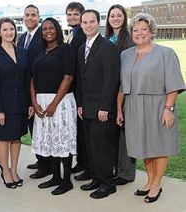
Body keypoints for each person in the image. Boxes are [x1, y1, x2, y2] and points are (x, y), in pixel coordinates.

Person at [118, 13, 186, 203]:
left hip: (157, 105)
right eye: (135, 29)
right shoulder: (126, 55)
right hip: (133, 106)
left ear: (152, 32)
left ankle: (157, 185)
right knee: (143, 146)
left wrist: (168, 108)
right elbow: (122, 86)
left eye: (143, 29)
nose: (139, 33)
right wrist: (119, 109)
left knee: (158, 145)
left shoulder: (166, 53)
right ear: (131, 33)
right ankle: (149, 181)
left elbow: (173, 84)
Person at [76, 10, 120, 199]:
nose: (88, 25)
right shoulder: (80, 49)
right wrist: (79, 104)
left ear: (98, 23)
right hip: (86, 107)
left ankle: (108, 183)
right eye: (84, 22)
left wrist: (105, 107)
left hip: (101, 109)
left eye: (91, 22)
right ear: (81, 24)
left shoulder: (108, 47)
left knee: (102, 147)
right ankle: (96, 178)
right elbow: (80, 79)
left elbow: (111, 80)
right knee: (91, 145)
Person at [31, 17, 77, 195]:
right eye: (44, 29)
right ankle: (56, 176)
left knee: (63, 138)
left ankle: (66, 181)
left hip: (61, 101)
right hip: (42, 102)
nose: (48, 31)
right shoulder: (40, 52)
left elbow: (68, 77)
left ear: (57, 29)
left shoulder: (65, 49)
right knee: (50, 139)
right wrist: (35, 102)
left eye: (51, 28)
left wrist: (54, 104)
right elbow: (32, 79)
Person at [0, 18, 33, 189]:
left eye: (11, 29)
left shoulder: (23, 52)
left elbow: (27, 79)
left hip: (20, 103)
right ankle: (5, 171)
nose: (9, 32)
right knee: (4, 139)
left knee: (16, 138)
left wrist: (29, 103)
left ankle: (14, 170)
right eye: (5, 30)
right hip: (3, 106)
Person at [17, 4, 51, 179]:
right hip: (26, 89)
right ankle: (40, 159)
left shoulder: (44, 35)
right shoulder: (22, 38)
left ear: (38, 17)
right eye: (27, 15)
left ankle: (47, 165)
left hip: (41, 89)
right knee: (34, 129)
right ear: (23, 17)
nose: (30, 18)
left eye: (33, 15)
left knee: (43, 128)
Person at [105, 4, 136, 186]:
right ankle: (117, 168)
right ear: (108, 19)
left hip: (125, 89)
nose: (115, 18)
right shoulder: (108, 38)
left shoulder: (129, 39)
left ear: (124, 18)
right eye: (112, 16)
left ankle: (126, 173)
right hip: (111, 91)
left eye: (119, 15)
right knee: (114, 133)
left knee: (125, 134)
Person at [65, 1, 90, 181]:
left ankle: (87, 165)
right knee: (78, 131)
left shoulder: (82, 35)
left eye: (75, 14)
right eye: (70, 14)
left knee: (84, 131)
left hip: (81, 90)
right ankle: (81, 162)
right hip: (73, 90)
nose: (72, 17)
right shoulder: (72, 34)